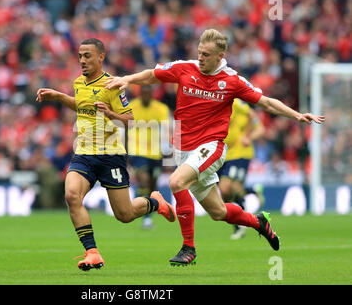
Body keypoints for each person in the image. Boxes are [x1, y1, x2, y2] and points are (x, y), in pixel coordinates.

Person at [105, 28, 325, 266]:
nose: (200, 58)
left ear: (220, 56)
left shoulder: (232, 81)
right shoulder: (185, 68)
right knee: (218, 212)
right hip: (183, 149)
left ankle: (188, 248)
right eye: (199, 52)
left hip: (211, 147)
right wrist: (127, 79)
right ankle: (258, 222)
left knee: (176, 182)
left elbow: (266, 103)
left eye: (206, 55)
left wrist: (297, 115)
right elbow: (152, 75)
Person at [35, 38, 176, 271]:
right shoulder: (79, 83)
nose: (82, 60)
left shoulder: (112, 85)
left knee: (125, 214)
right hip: (84, 154)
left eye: (87, 55)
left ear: (101, 57)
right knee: (72, 196)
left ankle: (155, 202)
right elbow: (82, 106)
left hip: (111, 155)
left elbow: (130, 121)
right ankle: (92, 252)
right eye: (80, 56)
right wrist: (60, 97)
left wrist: (110, 113)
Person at [218, 98, 265, 240]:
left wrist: (248, 137)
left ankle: (241, 223)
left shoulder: (236, 102)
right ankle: (253, 192)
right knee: (231, 191)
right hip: (223, 155)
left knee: (227, 188)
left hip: (240, 154)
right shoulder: (214, 101)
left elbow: (257, 122)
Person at [128, 85, 171, 229]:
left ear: (152, 93)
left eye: (148, 92)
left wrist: (168, 149)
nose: (146, 95)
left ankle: (146, 212)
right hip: (137, 150)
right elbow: (125, 127)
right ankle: (144, 217)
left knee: (152, 185)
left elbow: (166, 129)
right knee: (144, 180)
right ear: (140, 93)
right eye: (143, 92)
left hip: (155, 152)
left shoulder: (160, 108)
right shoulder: (132, 106)